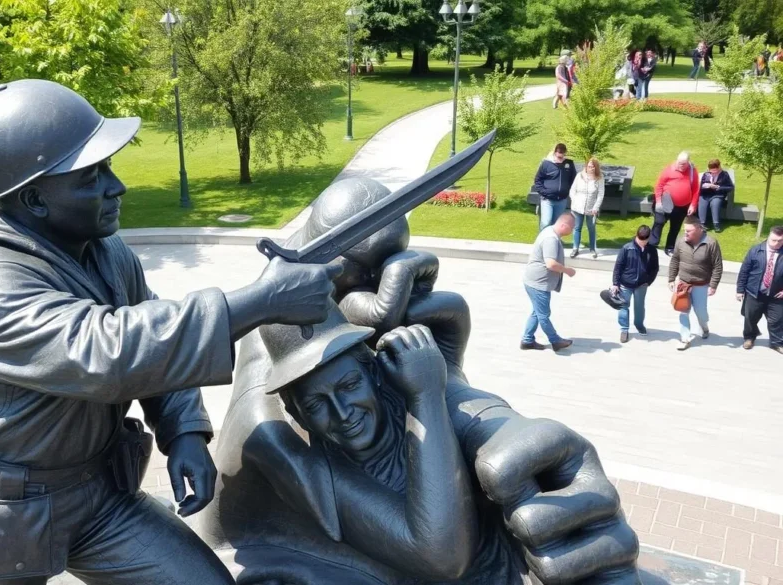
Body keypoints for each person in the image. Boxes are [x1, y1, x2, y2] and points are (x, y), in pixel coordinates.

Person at [0, 79, 341, 585]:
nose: (116, 186)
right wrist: (262, 301)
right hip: (1, 511)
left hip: (98, 492)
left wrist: (183, 430)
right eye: (91, 177)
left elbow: (151, 328)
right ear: (34, 199)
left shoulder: (100, 249)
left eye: (108, 168)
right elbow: (110, 352)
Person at [198, 179, 640, 585]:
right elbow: (440, 556)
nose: (379, 285)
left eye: (389, 266)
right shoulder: (273, 425)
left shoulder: (340, 341)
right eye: (360, 270)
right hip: (273, 560)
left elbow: (406, 389)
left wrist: (486, 418)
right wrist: (432, 394)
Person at [522, 212, 576, 351]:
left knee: (537, 312)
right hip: (538, 283)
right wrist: (567, 270)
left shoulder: (549, 231)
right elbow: (551, 264)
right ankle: (555, 341)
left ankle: (527, 340)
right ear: (564, 225)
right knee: (544, 315)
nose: (572, 231)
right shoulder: (550, 238)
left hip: (535, 281)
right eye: (572, 228)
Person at [668, 218, 724, 350]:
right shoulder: (681, 241)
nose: (685, 233)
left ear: (699, 229)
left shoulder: (711, 243)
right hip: (683, 284)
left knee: (701, 312)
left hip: (701, 285)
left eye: (689, 230)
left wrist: (713, 285)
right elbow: (675, 260)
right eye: (684, 230)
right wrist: (671, 278)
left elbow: (717, 266)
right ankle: (684, 338)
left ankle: (704, 327)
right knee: (683, 311)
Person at [737, 225, 783, 353]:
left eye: (780, 241)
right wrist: (740, 290)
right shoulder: (756, 250)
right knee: (750, 317)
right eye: (774, 240)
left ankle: (777, 342)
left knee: (777, 320)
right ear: (769, 237)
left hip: (776, 295)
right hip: (754, 292)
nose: (776, 243)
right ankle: (749, 337)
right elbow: (744, 271)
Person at [612, 225, 660, 343]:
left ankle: (639, 325)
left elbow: (655, 268)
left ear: (648, 239)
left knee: (639, 307)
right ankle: (624, 329)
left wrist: (649, 281)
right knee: (623, 306)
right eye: (639, 240)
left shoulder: (652, 250)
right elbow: (618, 266)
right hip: (625, 284)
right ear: (636, 235)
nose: (641, 242)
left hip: (642, 284)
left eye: (644, 241)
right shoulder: (626, 248)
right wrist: (615, 283)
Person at [651, 151, 700, 256]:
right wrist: (658, 202)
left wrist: (693, 204)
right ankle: (652, 244)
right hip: (666, 202)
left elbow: (696, 189)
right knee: (659, 223)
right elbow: (659, 186)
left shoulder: (692, 171)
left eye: (684, 164)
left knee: (675, 227)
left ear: (688, 162)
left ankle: (670, 247)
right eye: (679, 163)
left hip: (682, 206)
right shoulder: (668, 170)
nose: (681, 166)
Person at [532, 143, 575, 230]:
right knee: (546, 222)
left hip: (561, 200)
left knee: (556, 223)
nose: (561, 157)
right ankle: (542, 241)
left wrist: (566, 191)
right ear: (555, 153)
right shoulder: (546, 164)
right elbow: (538, 180)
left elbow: (573, 180)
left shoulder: (569, 164)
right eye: (559, 154)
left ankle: (555, 240)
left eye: (562, 154)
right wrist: (544, 192)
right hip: (547, 199)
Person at [569, 157, 604, 259]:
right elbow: (572, 190)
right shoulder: (579, 176)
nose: (591, 168)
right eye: (589, 166)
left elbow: (600, 194)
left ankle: (592, 248)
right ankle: (575, 248)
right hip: (577, 207)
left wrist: (596, 207)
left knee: (591, 228)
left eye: (593, 166)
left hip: (591, 208)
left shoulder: (600, 178)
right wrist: (574, 201)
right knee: (577, 228)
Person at [698, 158, 734, 233]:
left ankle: (716, 224)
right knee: (702, 202)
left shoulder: (724, 174)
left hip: (718, 195)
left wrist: (719, 187)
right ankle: (702, 224)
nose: (713, 173)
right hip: (706, 194)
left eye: (715, 171)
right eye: (712, 171)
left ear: (719, 167)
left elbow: (730, 187)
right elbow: (701, 186)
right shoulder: (706, 174)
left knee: (715, 204)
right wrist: (707, 186)